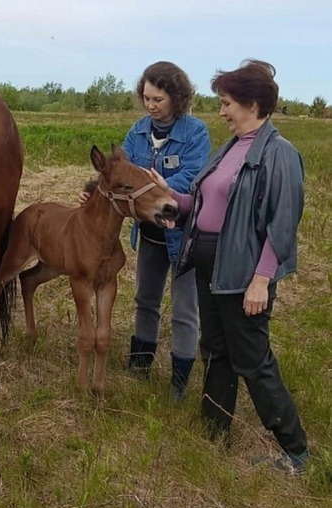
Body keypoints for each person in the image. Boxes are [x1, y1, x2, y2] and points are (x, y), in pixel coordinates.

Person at [151, 59, 308, 472]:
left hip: (241, 274)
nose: (220, 112)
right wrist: (175, 201)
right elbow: (205, 204)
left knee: (253, 359)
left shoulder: (279, 154)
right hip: (208, 266)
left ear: (252, 104)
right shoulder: (231, 148)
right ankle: (214, 431)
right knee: (216, 351)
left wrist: (262, 279)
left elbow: (282, 224)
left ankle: (295, 451)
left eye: (226, 103)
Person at [80, 61, 210, 399]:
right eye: (147, 98)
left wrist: (160, 188)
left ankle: (179, 382)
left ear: (177, 98)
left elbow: (195, 179)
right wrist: (94, 189)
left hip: (184, 233)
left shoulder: (195, 132)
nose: (151, 106)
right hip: (150, 232)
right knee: (145, 300)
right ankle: (140, 367)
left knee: (184, 309)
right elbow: (118, 173)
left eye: (158, 99)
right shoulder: (138, 131)